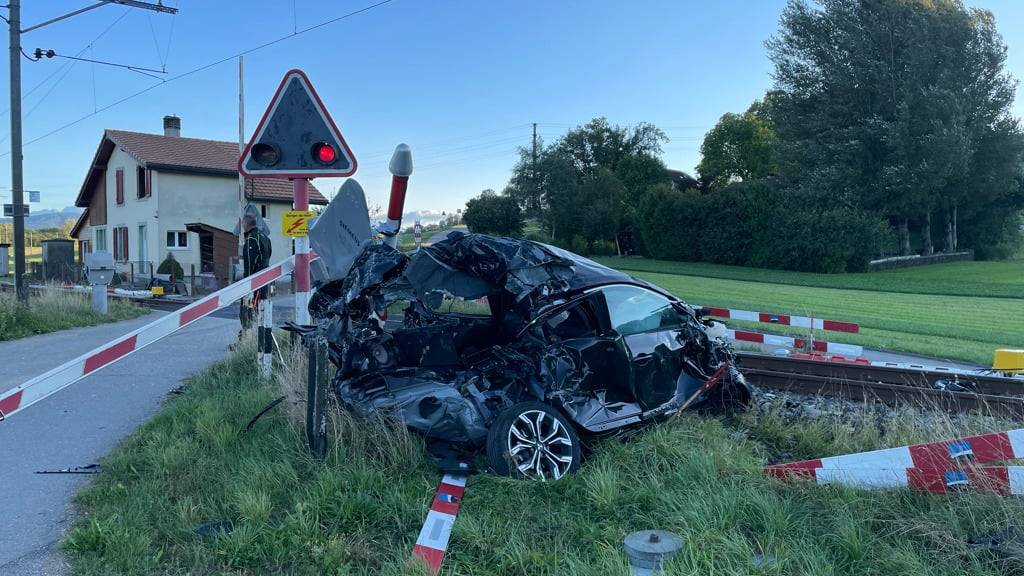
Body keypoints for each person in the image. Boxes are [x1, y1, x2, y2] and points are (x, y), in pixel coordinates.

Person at [239, 213, 271, 331]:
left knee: (248, 311)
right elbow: (268, 257)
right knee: (260, 311)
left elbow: (249, 264)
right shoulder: (265, 237)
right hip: (264, 281)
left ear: (246, 224)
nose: (242, 226)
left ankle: (246, 338)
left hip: (254, 284)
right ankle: (258, 338)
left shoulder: (252, 239)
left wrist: (247, 286)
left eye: (242, 223)